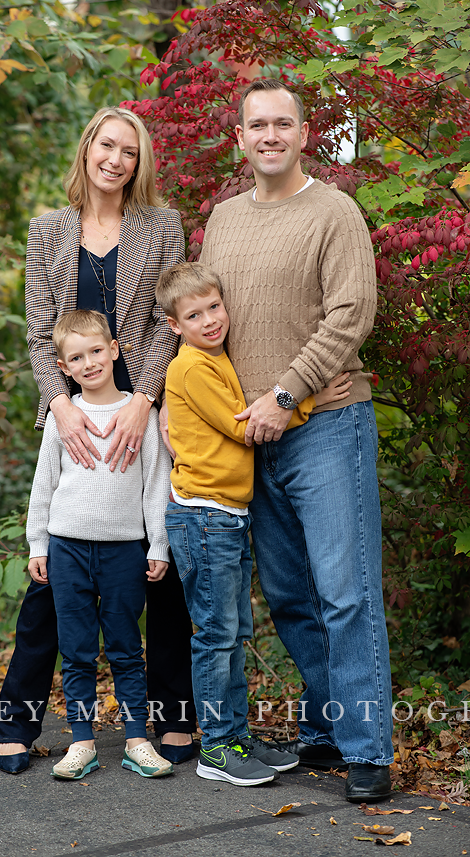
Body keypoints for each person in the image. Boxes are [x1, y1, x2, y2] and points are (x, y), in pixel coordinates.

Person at [199, 78, 394, 803]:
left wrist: (289, 393)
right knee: (288, 597)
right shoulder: (220, 221)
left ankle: (368, 748)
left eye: (284, 123)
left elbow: (352, 312)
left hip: (326, 429)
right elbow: (207, 322)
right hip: (252, 437)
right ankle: (326, 729)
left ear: (305, 134)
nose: (271, 135)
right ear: (241, 138)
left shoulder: (334, 211)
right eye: (258, 125)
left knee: (346, 593)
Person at [0, 107, 196, 775]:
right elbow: (35, 332)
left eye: (129, 152)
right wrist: (60, 406)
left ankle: (170, 718)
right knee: (55, 576)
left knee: (159, 574)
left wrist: (146, 399)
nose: (116, 159)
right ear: (87, 150)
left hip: (147, 412)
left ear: (139, 163)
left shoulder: (161, 226)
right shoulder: (47, 230)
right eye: (107, 146)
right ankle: (17, 719)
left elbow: (169, 324)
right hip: (76, 415)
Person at [156, 262, 351, 786]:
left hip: (227, 515)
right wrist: (312, 400)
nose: (210, 320)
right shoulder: (192, 367)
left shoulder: (217, 359)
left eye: (214, 307)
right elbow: (247, 428)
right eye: (194, 315)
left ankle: (236, 735)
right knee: (216, 635)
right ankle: (217, 748)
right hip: (204, 516)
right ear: (175, 326)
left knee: (232, 632)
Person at [27, 310, 173, 780]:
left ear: (114, 350)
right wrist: (37, 545)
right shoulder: (62, 417)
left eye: (95, 351)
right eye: (76, 357)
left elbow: (156, 483)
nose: (88, 362)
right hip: (67, 548)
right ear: (64, 368)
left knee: (127, 647)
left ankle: (137, 740)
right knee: (77, 650)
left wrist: (159, 546)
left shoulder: (141, 414)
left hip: (124, 550)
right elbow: (43, 483)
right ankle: (82, 742)